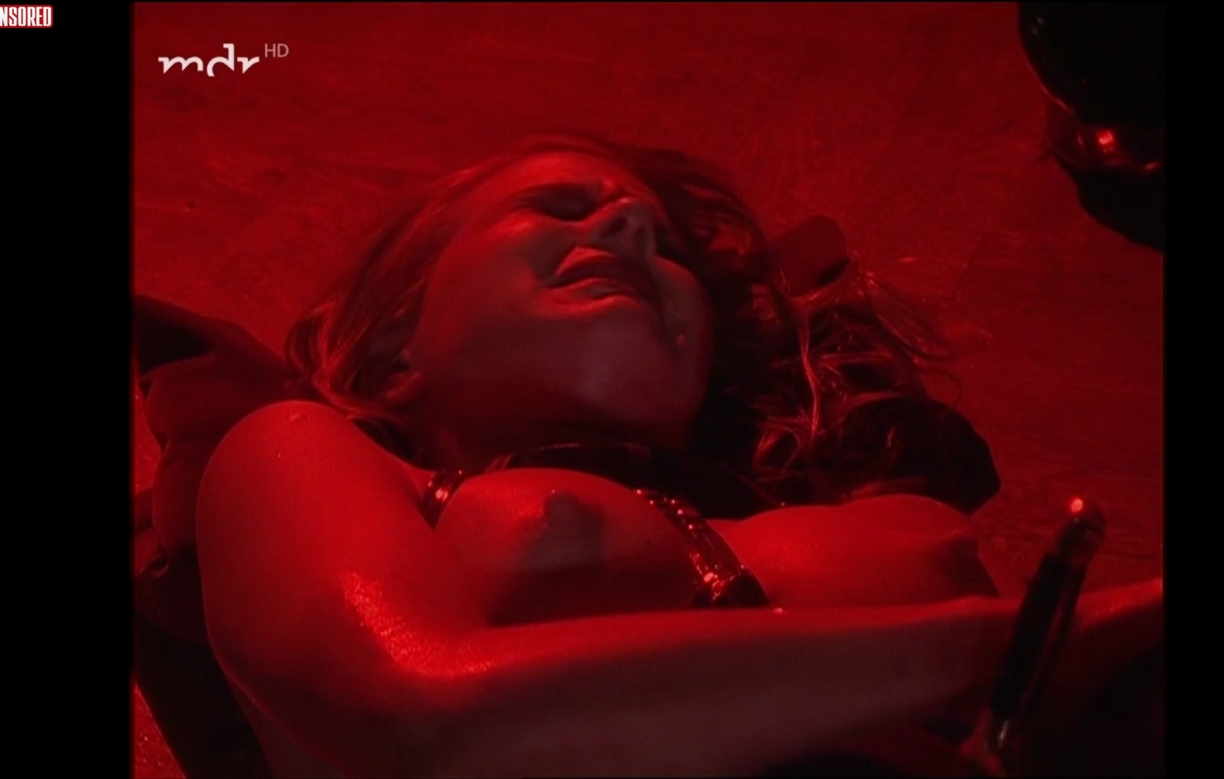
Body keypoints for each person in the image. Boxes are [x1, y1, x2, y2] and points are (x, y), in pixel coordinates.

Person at [195, 134, 1163, 777]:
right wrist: (1003, 650)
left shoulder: (870, 510)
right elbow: (425, 720)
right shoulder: (299, 453)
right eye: (559, 206)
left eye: (666, 247)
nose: (626, 228)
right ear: (395, 348)